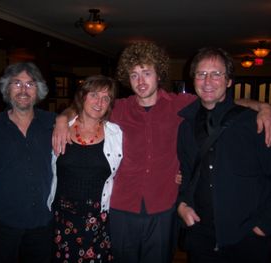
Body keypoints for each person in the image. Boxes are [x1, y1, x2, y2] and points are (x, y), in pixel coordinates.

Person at [52, 42, 271, 263]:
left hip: (163, 208)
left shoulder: (181, 105)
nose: (140, 81)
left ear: (159, 75)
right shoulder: (117, 108)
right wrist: (62, 119)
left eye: (146, 73)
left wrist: (263, 107)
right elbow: (84, 108)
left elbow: (219, 99)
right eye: (134, 74)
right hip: (122, 207)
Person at [176, 47, 271, 263]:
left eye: (216, 74)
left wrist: (264, 224)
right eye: (201, 74)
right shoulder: (185, 126)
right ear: (193, 80)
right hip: (201, 236)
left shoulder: (254, 122)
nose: (207, 81)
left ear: (229, 81)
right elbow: (186, 173)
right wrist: (181, 205)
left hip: (247, 238)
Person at [0, 62, 56, 263]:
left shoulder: (52, 122)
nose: (24, 90)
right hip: (5, 220)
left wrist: (63, 119)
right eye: (17, 83)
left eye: (30, 84)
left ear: (38, 90)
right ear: (7, 89)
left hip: (43, 220)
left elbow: (80, 116)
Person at [48, 75, 123, 262]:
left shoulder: (116, 134)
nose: (100, 102)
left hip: (98, 220)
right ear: (82, 97)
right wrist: (61, 119)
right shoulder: (60, 129)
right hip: (63, 218)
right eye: (94, 95)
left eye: (106, 98)